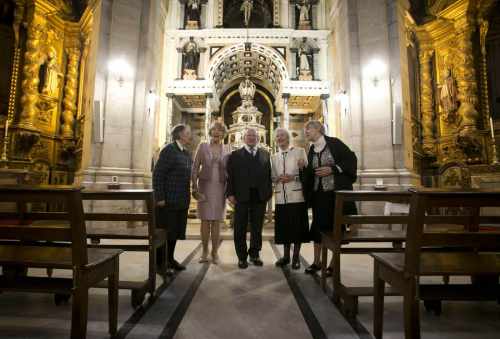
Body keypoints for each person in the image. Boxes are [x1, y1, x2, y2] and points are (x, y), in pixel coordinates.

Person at [302, 120, 357, 275]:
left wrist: (332, 169)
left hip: (335, 195)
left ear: (318, 129)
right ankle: (316, 262)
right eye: (305, 130)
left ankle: (333, 265)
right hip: (319, 195)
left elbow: (351, 159)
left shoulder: (334, 143)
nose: (305, 132)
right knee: (318, 229)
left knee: (336, 229)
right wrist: (303, 169)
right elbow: (311, 173)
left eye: (308, 129)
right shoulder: (312, 149)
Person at [226, 128, 272, 269]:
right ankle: (241, 257)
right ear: (244, 138)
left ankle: (254, 254)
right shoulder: (234, 155)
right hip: (241, 196)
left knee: (257, 227)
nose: (251, 138)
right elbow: (230, 177)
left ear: (258, 138)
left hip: (260, 196)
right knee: (239, 227)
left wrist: (268, 193)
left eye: (254, 135)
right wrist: (230, 194)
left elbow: (269, 175)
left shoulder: (265, 154)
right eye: (249, 135)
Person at [153, 124, 193, 273]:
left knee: (174, 232)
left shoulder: (186, 153)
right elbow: (158, 174)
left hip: (181, 200)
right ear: (180, 135)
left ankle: (170, 259)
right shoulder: (169, 150)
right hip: (168, 200)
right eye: (188, 133)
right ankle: (159, 264)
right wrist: (160, 197)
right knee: (165, 233)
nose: (191, 135)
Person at [191, 121, 231, 264]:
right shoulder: (202, 146)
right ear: (210, 132)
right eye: (214, 129)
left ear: (223, 134)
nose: (216, 132)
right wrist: (194, 186)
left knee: (216, 221)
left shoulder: (227, 148)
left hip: (220, 188)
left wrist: (224, 167)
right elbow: (195, 167)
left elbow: (230, 170)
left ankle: (215, 252)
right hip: (205, 187)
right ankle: (204, 251)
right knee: (205, 220)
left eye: (220, 130)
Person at [271, 128, 309, 270]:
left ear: (288, 138)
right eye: (277, 137)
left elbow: (307, 174)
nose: (280, 138)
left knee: (297, 228)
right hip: (281, 197)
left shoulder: (299, 151)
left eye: (282, 136)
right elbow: (273, 177)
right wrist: (277, 178)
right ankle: (286, 256)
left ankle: (296, 257)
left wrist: (294, 177)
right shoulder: (274, 157)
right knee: (285, 229)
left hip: (297, 196)